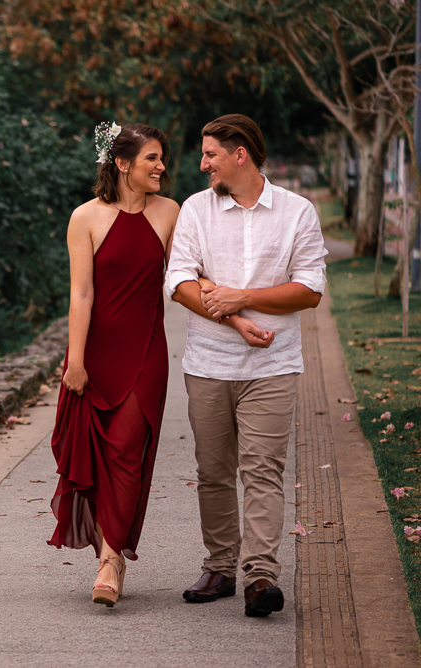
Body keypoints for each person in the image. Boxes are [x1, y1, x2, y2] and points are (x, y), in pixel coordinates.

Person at [164, 114, 327, 617]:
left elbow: (309, 289)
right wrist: (235, 315)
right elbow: (179, 280)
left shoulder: (298, 212)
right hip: (208, 363)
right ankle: (220, 568)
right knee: (213, 472)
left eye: (211, 153)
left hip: (273, 366)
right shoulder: (196, 209)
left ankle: (260, 577)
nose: (202, 163)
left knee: (262, 471)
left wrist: (239, 294)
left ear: (241, 154)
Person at [48, 122, 178, 608]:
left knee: (126, 448)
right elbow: (81, 293)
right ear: (122, 163)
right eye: (152, 158)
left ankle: (110, 558)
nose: (161, 166)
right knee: (97, 459)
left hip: (147, 351)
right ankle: (111, 549)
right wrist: (75, 360)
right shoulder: (85, 217)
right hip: (94, 352)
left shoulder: (170, 213)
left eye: (162, 158)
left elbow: (187, 273)